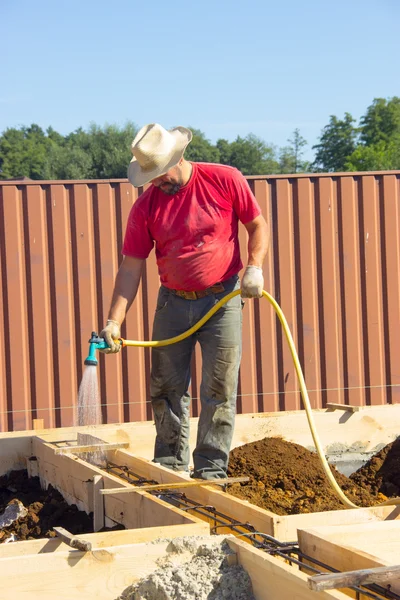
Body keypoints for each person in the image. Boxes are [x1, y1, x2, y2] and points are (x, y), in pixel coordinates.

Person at [100, 123, 269, 479]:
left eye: (162, 174)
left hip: (222, 300)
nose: (158, 181)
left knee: (219, 387)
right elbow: (130, 269)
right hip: (172, 303)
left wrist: (254, 268)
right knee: (166, 388)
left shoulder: (224, 179)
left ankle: (210, 470)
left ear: (179, 157)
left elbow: (257, 225)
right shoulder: (146, 207)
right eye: (152, 177)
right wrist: (114, 321)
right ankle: (170, 467)